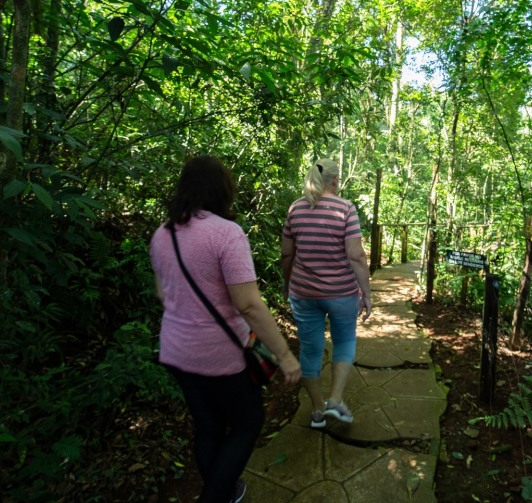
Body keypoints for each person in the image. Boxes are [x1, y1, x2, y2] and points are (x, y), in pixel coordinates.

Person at [149, 155, 301, 503]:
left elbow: (162, 293)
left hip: (175, 351)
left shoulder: (162, 233)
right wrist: (284, 355)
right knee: (247, 422)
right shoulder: (226, 234)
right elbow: (247, 303)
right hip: (218, 354)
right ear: (223, 190)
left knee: (208, 425)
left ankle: (226, 491)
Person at [280, 158, 371, 429]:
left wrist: (287, 283)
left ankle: (318, 410)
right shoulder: (346, 208)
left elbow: (287, 254)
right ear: (334, 180)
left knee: (310, 349)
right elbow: (355, 255)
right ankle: (335, 400)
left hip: (304, 292)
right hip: (341, 293)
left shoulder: (296, 208)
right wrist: (366, 293)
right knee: (343, 342)